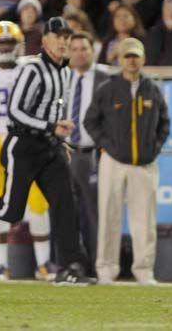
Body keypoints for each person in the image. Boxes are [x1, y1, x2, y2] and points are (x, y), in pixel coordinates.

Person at [0, 16, 94, 285]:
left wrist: (59, 139)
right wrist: (52, 127)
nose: (63, 42)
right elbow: (15, 112)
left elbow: (52, 107)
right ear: (46, 40)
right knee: (10, 212)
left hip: (49, 144)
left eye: (66, 37)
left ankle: (69, 266)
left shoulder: (62, 69)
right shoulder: (32, 69)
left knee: (65, 205)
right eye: (58, 37)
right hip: (21, 144)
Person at [0, 21, 52, 280]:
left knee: (38, 204)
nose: (5, 48)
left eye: (10, 43)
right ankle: (1, 266)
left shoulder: (32, 66)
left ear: (19, 46)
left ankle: (44, 265)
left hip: (29, 139)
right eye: (1, 43)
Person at [85, 38, 170, 285]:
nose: (132, 61)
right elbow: (91, 121)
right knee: (108, 217)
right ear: (119, 59)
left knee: (144, 220)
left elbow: (164, 123)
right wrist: (107, 146)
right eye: (127, 56)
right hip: (113, 162)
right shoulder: (108, 88)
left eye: (136, 56)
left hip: (144, 164)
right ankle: (106, 270)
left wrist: (154, 149)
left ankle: (144, 271)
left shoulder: (152, 89)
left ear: (143, 59)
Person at [66, 31, 109, 272]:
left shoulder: (105, 78)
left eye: (84, 48)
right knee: (65, 212)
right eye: (75, 49)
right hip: (65, 152)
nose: (80, 53)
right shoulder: (62, 77)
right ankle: (70, 263)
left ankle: (97, 264)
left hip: (94, 153)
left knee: (95, 213)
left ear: (93, 50)